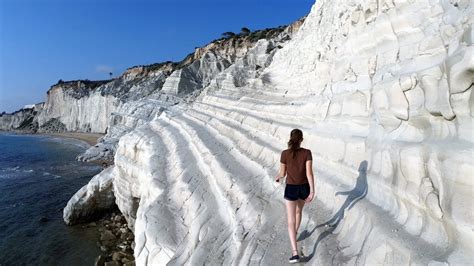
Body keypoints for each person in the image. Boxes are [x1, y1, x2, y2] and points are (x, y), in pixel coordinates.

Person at [275, 128, 315, 264]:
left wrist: (278, 177)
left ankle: (295, 253)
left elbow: (282, 173)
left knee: (290, 220)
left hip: (291, 188)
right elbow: (309, 174)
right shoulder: (307, 153)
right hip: (304, 188)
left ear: (291, 138)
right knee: (299, 211)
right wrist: (312, 191)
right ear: (301, 139)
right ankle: (295, 233)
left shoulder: (284, 154)